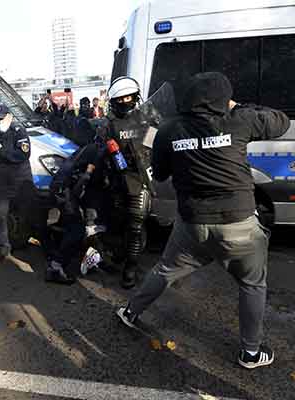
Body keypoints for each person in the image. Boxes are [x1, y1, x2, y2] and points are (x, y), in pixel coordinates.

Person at [117, 72, 290, 369]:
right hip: (240, 225)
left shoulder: (170, 130)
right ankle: (250, 353)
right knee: (252, 284)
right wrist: (238, 106)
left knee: (165, 269)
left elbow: (158, 175)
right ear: (225, 99)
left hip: (192, 226)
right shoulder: (240, 120)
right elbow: (281, 121)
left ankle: (131, 312)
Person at [95, 76, 159, 289]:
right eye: (120, 99)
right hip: (118, 180)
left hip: (141, 178)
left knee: (135, 224)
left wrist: (145, 153)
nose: (124, 102)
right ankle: (125, 256)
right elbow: (102, 151)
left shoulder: (147, 117)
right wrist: (108, 150)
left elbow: (155, 144)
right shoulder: (108, 125)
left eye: (128, 97)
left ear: (136, 96)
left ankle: (131, 268)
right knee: (120, 224)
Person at [0, 104, 34, 262]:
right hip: (4, 182)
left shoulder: (18, 131)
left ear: (9, 117)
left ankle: (28, 244)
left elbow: (23, 154)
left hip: (21, 180)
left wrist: (1, 152)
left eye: (1, 119)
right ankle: (3, 248)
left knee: (27, 214)